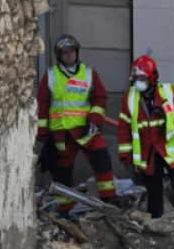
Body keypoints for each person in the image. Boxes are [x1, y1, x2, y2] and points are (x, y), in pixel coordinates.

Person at [36, 34, 117, 215]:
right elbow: (41, 104)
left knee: (102, 160)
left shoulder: (89, 73)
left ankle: (109, 199)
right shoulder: (50, 76)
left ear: (76, 52)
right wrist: (42, 132)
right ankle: (65, 209)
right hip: (61, 132)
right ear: (59, 55)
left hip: (86, 130)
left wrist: (95, 121)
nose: (69, 55)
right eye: (65, 53)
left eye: (72, 51)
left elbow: (100, 98)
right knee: (62, 171)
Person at [117, 55, 174, 218]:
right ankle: (156, 223)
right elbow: (124, 127)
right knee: (154, 190)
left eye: (142, 78)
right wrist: (125, 155)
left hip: (170, 148)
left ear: (152, 77)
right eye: (136, 78)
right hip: (148, 152)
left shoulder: (168, 92)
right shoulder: (130, 98)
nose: (138, 81)